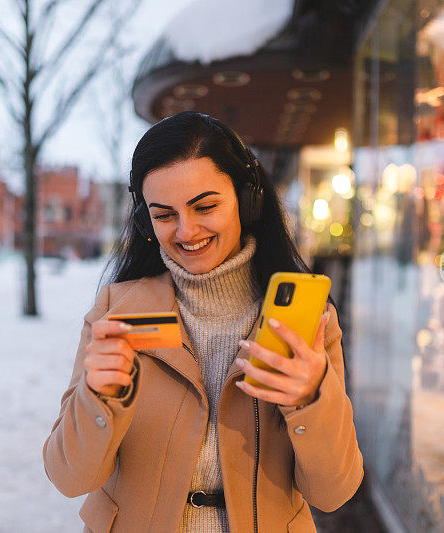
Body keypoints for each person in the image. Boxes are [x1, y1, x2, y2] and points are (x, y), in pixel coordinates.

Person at [43, 111, 364, 533]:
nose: (186, 231)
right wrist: (98, 399)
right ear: (145, 222)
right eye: (163, 215)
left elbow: (334, 492)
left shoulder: (307, 318)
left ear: (247, 201)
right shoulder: (116, 311)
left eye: (205, 206)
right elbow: (69, 478)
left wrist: (310, 399)